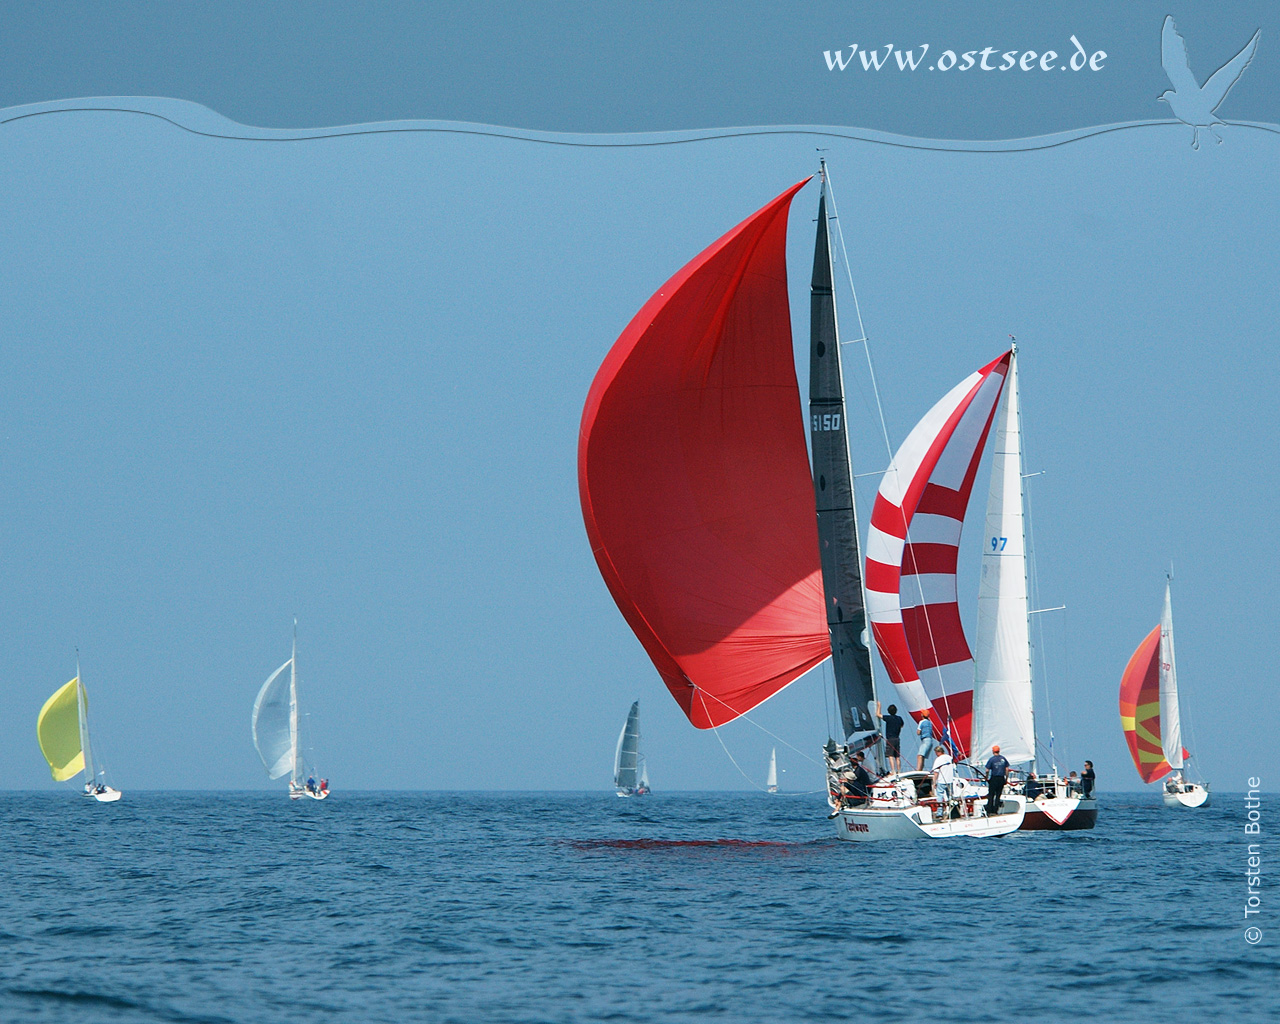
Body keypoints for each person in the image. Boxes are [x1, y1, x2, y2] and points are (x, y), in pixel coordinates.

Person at [877, 701, 905, 774]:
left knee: (890, 755)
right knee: (897, 756)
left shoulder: (888, 718)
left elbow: (878, 715)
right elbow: (902, 725)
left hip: (890, 739)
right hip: (897, 738)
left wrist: (879, 706)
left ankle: (893, 771)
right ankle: (899, 771)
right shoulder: (899, 718)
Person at [984, 744, 1010, 815]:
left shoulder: (992, 759)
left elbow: (987, 770)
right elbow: (1007, 769)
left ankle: (990, 810)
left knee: (991, 795)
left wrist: (986, 777)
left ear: (993, 751)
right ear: (999, 751)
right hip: (1001, 778)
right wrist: (1006, 779)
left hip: (994, 778)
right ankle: (996, 810)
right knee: (998, 795)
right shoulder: (1003, 759)